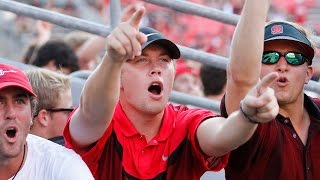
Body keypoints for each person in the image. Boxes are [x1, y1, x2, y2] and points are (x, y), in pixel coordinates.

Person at [64, 6, 279, 180]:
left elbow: (221, 135)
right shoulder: (104, 121)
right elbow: (93, 112)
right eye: (142, 60)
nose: (156, 67)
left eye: (164, 60)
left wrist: (247, 116)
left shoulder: (185, 121)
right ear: (119, 76)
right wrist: (112, 59)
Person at [223, 0, 320, 179]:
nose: (282, 65)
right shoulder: (250, 118)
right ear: (255, 69)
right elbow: (240, 78)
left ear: (308, 74)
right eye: (269, 57)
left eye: (294, 57)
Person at [0, 64, 94, 179]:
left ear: (31, 115)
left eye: (19, 101)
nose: (11, 113)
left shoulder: (63, 166)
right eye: (0, 102)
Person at [25, 68, 73, 146]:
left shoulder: (12, 150)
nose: (72, 116)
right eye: (69, 111)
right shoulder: (66, 155)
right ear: (44, 117)